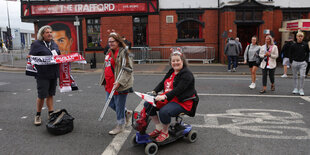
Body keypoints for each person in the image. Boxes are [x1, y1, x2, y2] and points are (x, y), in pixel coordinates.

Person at [144, 49, 197, 142]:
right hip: (170, 98)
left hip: (182, 101)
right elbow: (162, 83)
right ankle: (159, 127)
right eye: (173, 61)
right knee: (148, 104)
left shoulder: (187, 74)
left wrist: (164, 96)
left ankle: (165, 132)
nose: (175, 63)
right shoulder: (171, 71)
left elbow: (178, 90)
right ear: (170, 62)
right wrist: (154, 91)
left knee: (164, 111)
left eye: (178, 60)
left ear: (182, 61)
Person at [99, 32, 134, 135]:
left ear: (118, 41)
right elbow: (106, 67)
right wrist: (104, 80)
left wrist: (120, 81)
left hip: (120, 84)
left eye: (112, 41)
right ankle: (126, 113)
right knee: (110, 103)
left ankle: (120, 125)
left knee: (119, 105)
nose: (110, 43)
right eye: (109, 42)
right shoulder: (109, 52)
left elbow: (128, 69)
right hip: (110, 83)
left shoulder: (124, 53)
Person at [28, 25, 61, 126]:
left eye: (50, 32)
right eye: (47, 32)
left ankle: (51, 113)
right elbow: (30, 57)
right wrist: (30, 58)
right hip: (42, 74)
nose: (50, 34)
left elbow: (58, 55)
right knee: (42, 95)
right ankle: (38, 115)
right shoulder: (36, 44)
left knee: (51, 94)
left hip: (53, 73)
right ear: (42, 34)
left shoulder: (53, 44)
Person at [289, 32, 309, 96]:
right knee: (295, 76)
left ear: (303, 37)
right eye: (299, 36)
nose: (300, 37)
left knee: (302, 76)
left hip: (303, 62)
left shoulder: (305, 45)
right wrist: (291, 61)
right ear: (296, 37)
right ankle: (295, 88)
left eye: (301, 36)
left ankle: (301, 89)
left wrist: (306, 61)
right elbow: (290, 53)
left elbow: (307, 53)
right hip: (294, 62)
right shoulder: (293, 45)